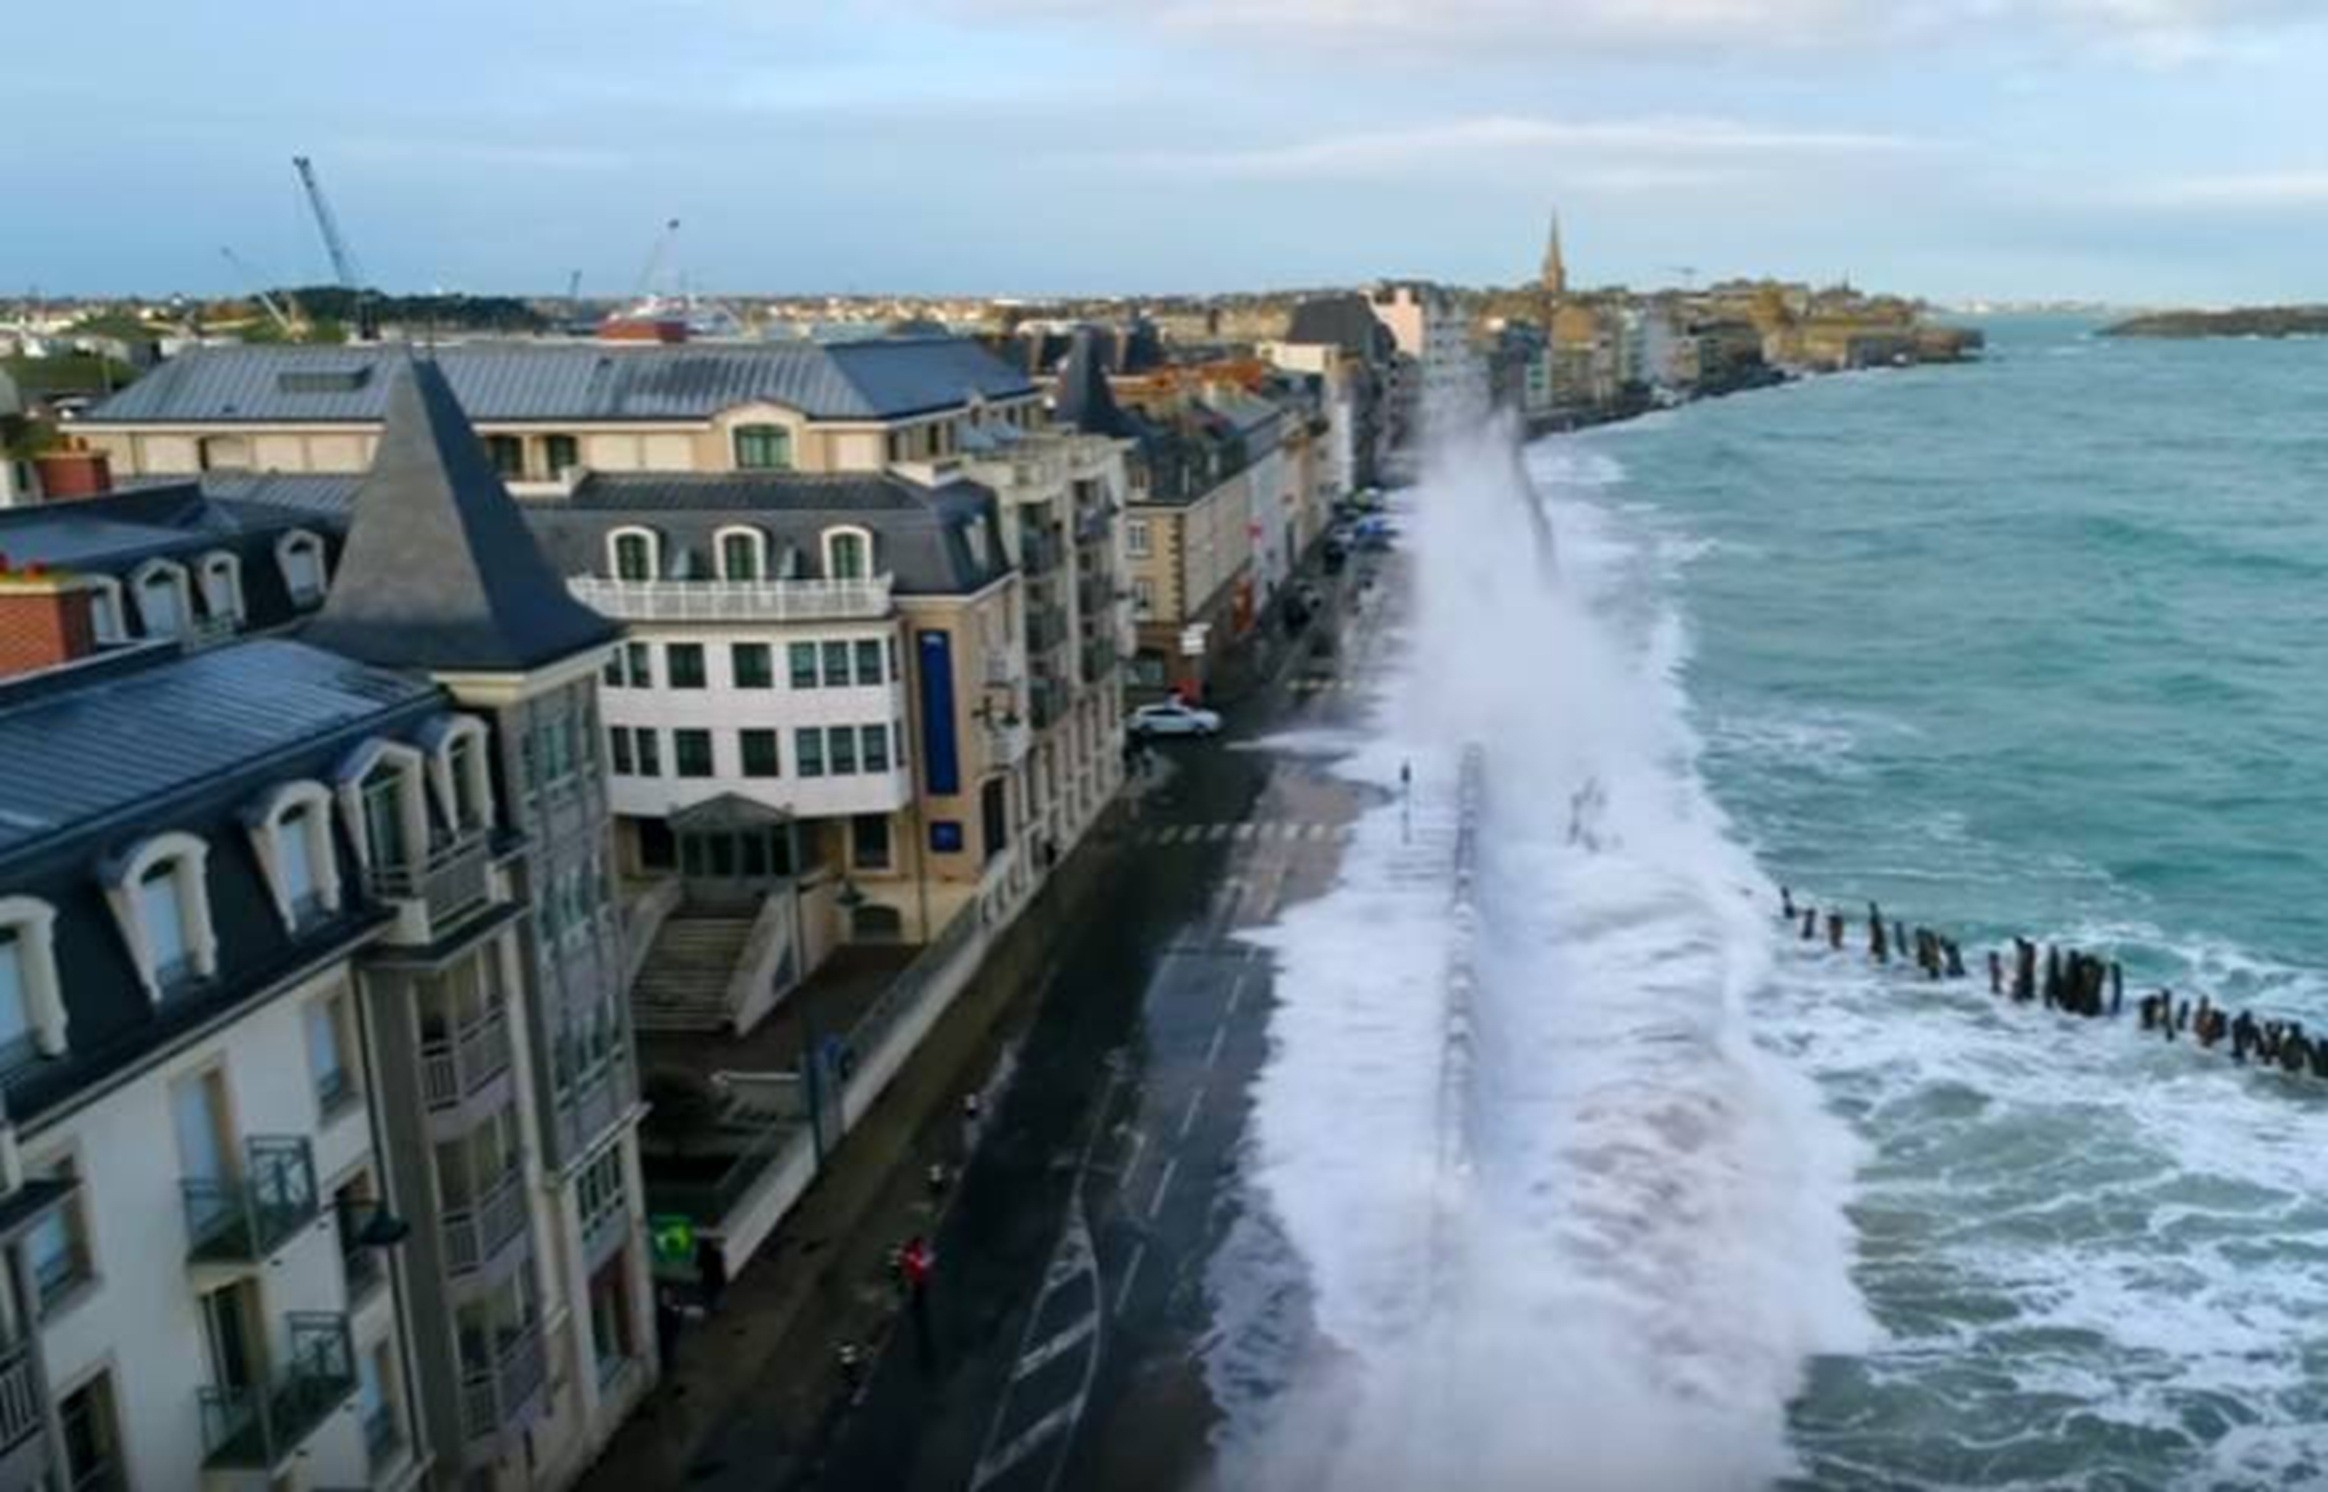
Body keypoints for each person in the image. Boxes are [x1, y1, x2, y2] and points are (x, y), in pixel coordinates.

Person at [696, 1235, 728, 1315]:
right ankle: (718, 1309)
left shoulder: (702, 1254)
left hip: (708, 1278)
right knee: (717, 1294)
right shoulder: (717, 1252)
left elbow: (698, 1265)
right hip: (717, 1278)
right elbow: (721, 1264)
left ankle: (710, 1310)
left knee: (709, 1295)